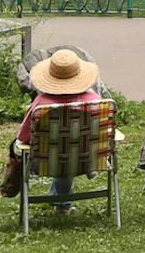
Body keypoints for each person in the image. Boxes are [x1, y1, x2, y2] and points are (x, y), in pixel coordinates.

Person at [12, 47, 101, 212]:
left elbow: (24, 137)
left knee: (56, 154)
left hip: (45, 162)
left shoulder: (41, 104)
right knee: (69, 151)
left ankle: (9, 185)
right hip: (88, 159)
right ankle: (62, 204)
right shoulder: (96, 102)